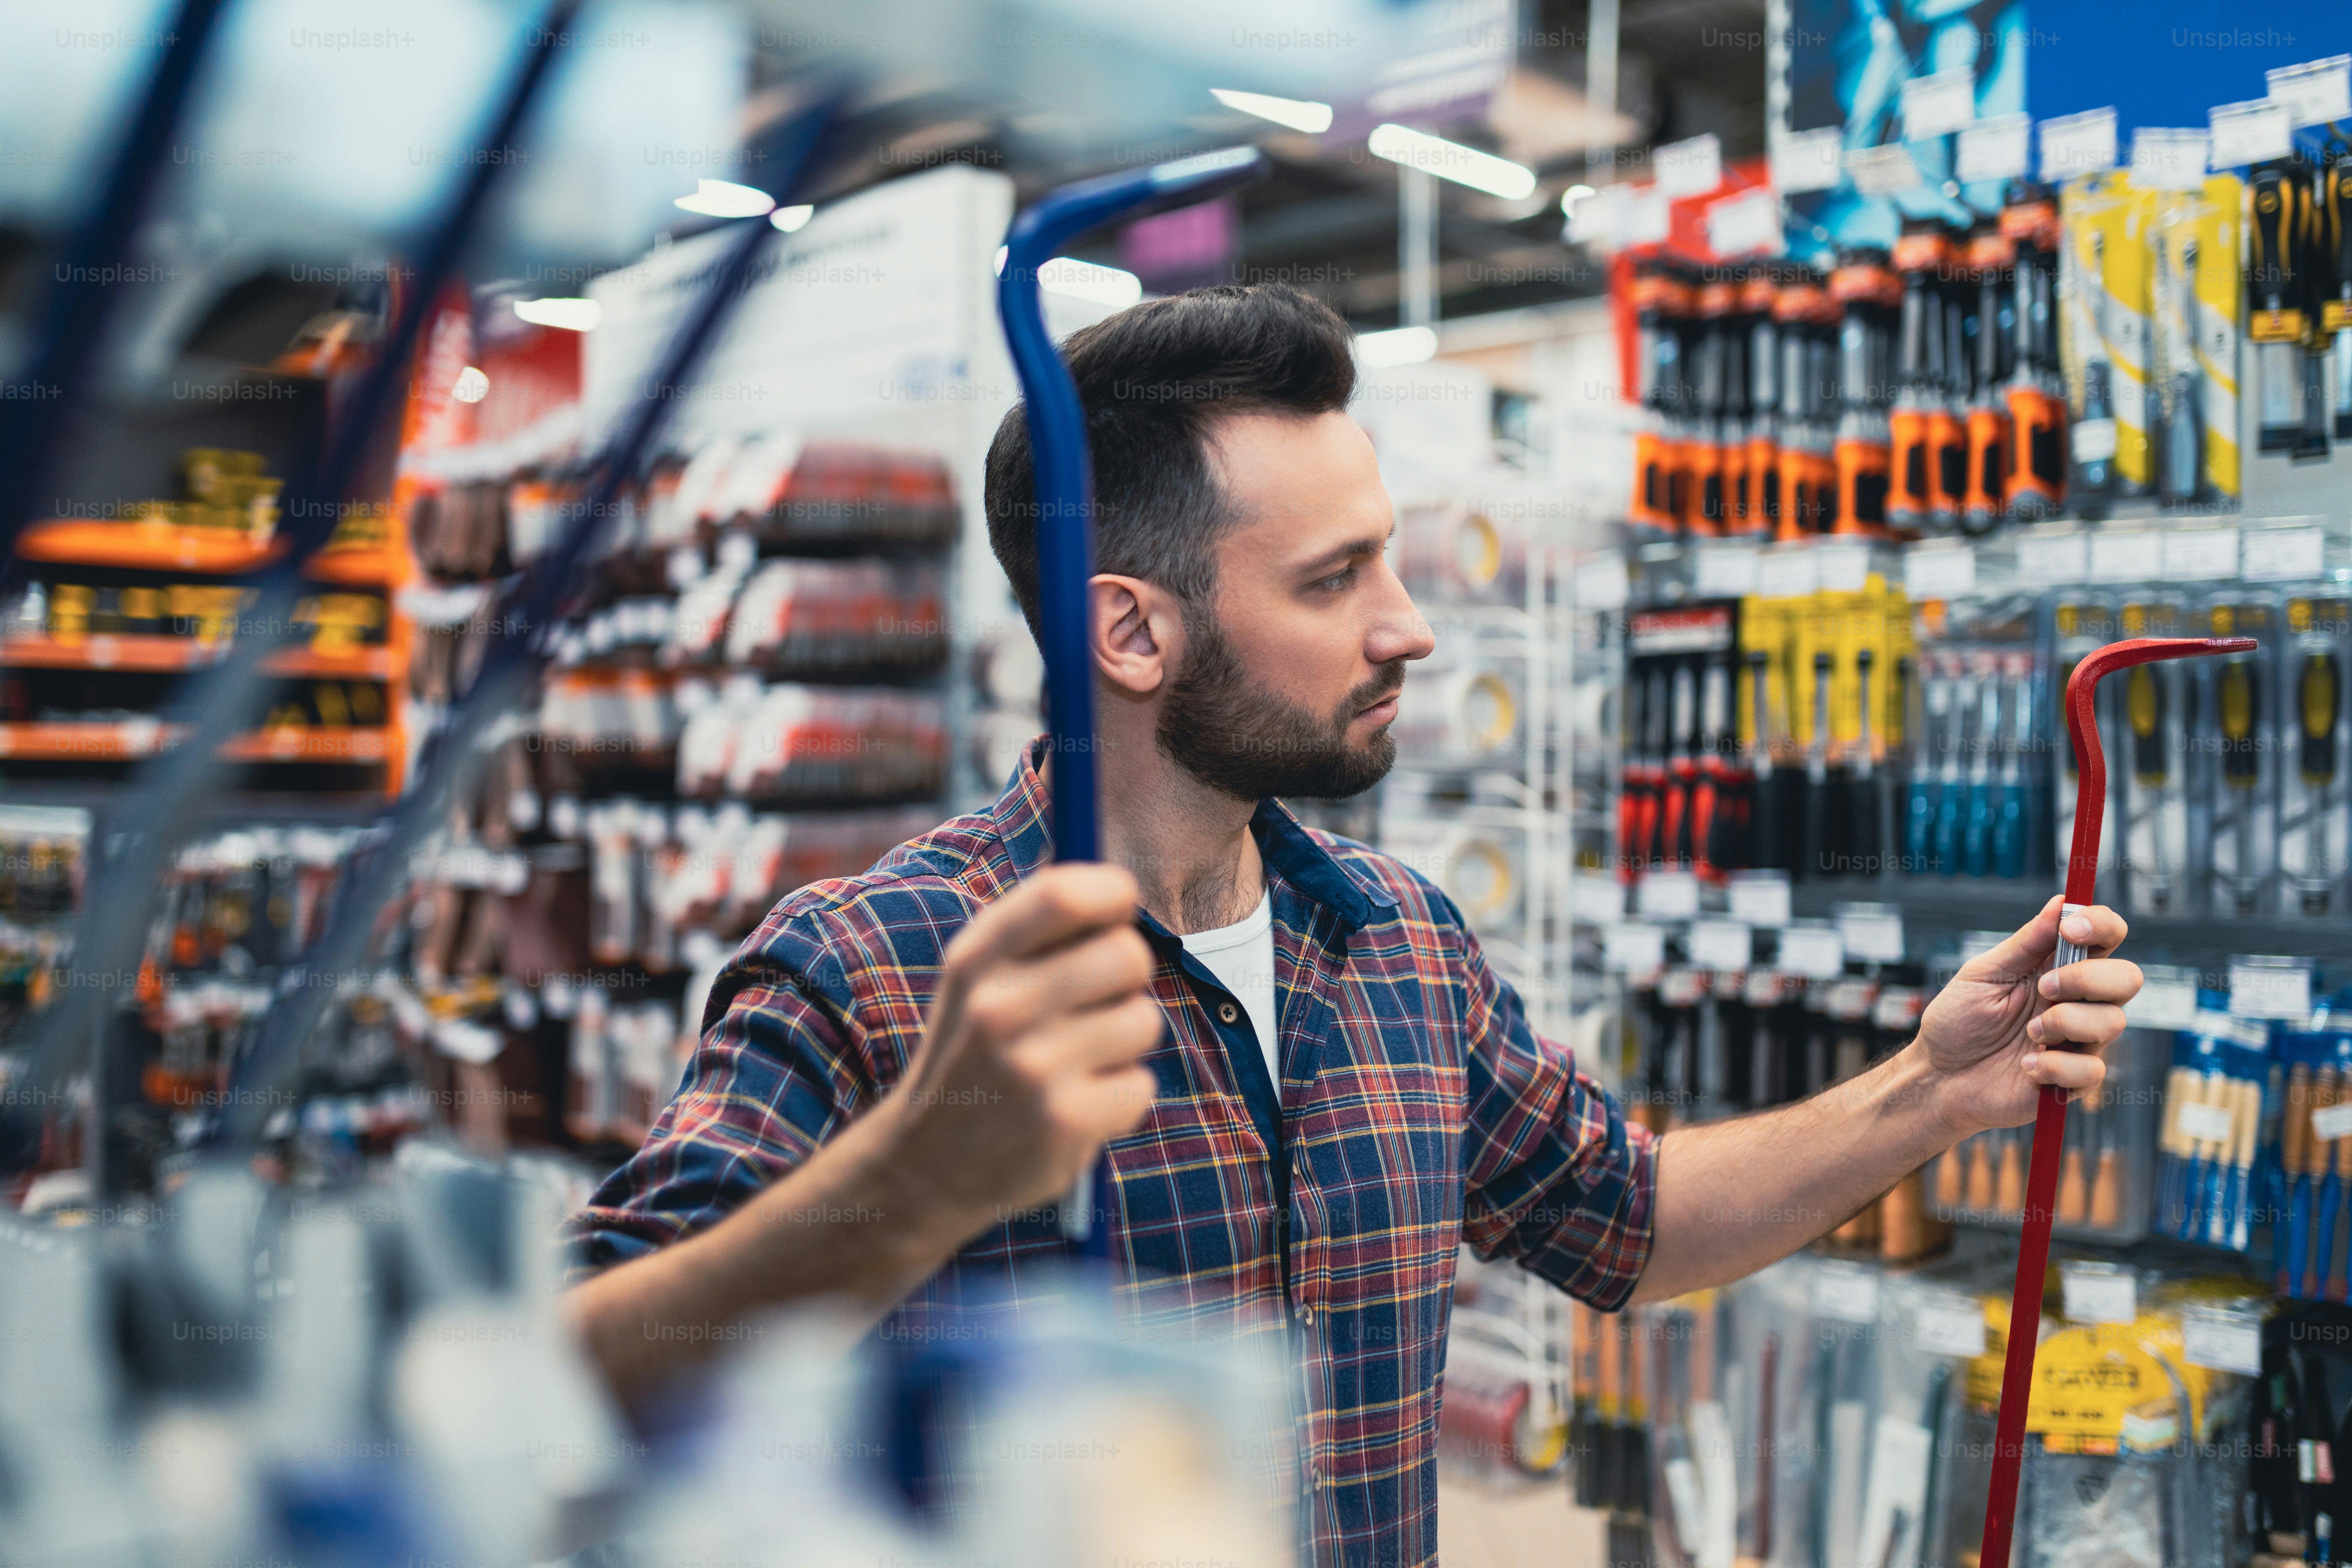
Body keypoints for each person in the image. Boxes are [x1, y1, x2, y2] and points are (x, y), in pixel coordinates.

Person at [565, 284, 2139, 1566]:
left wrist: (1933, 1090)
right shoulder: (874, 969)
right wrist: (913, 1180)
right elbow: (582, 1387)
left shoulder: (1393, 939)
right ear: (1130, 628)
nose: (1413, 621)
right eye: (1336, 579)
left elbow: (1627, 1219)